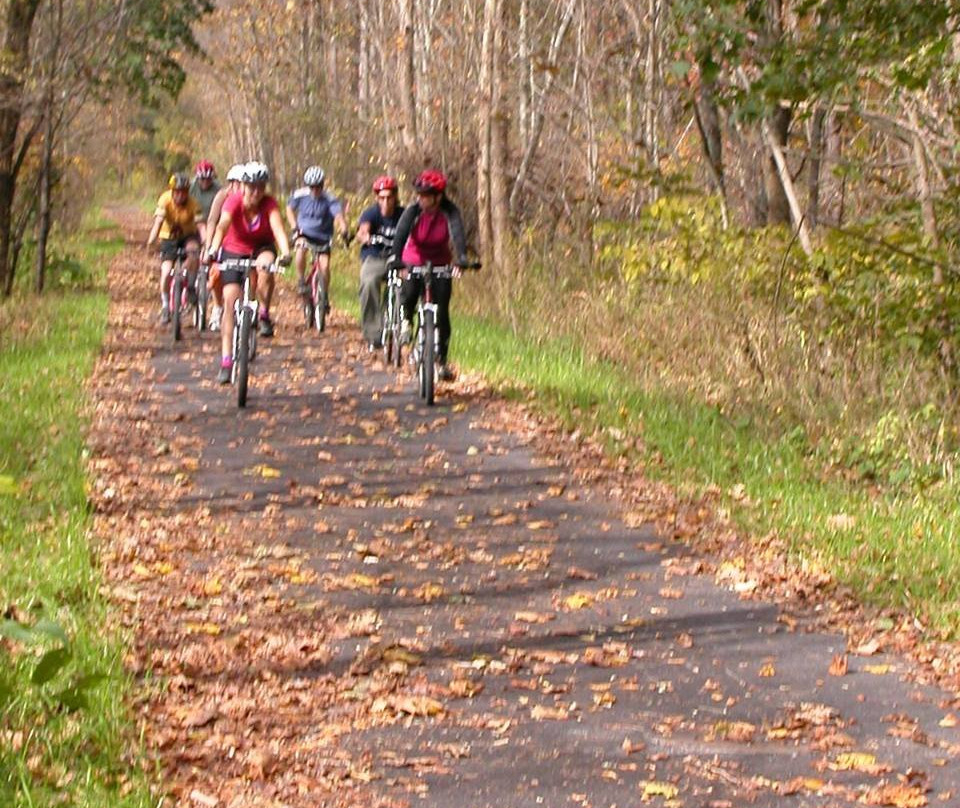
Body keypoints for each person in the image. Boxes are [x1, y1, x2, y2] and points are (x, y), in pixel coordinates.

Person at [206, 162, 291, 383]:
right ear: (242, 186)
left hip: (261, 247)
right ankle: (226, 360)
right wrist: (214, 248)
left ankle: (263, 313)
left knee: (266, 266)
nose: (256, 192)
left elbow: (278, 228)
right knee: (229, 300)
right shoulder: (233, 202)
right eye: (251, 186)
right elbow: (222, 225)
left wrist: (286, 252)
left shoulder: (269, 204)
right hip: (234, 249)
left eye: (261, 187)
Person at [389, 169, 468, 382]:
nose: (420, 199)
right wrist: (396, 259)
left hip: (440, 260)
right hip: (414, 256)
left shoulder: (449, 212)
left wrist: (461, 258)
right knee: (411, 289)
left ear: (438, 197)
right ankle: (406, 320)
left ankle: (441, 361)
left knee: (442, 311)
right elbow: (401, 234)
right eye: (419, 195)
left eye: (425, 195)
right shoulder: (413, 211)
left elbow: (458, 234)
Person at [285, 166, 349, 315]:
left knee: (325, 266)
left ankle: (324, 295)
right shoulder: (300, 195)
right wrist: (294, 227)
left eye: (318, 186)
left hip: (323, 236)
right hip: (304, 233)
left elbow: (338, 216)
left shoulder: (329, 199)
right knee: (300, 250)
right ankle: (301, 280)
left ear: (322, 185)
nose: (315, 190)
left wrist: (344, 229)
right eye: (312, 187)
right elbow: (289, 209)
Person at [146, 172, 201, 324]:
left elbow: (200, 226)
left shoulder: (193, 204)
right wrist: (151, 242)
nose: (180, 196)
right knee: (165, 272)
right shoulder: (165, 200)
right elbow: (158, 222)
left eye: (183, 192)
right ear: (172, 191)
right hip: (168, 238)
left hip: (188, 236)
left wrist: (207, 241)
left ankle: (190, 286)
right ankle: (165, 305)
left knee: (193, 252)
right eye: (177, 192)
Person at [356, 175, 404, 350]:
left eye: (389, 197)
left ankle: (401, 327)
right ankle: (372, 333)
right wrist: (366, 236)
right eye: (382, 197)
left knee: (407, 284)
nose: (386, 201)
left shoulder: (403, 214)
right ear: (377, 198)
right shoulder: (371, 213)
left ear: (395, 197)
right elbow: (362, 230)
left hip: (397, 258)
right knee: (368, 283)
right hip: (375, 256)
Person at [203, 163, 245, 331]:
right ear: (232, 183)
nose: (241, 187)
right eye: (238, 183)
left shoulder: (251, 198)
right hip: (223, 240)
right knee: (216, 274)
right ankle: (218, 307)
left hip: (243, 243)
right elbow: (213, 221)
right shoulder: (222, 196)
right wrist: (209, 246)